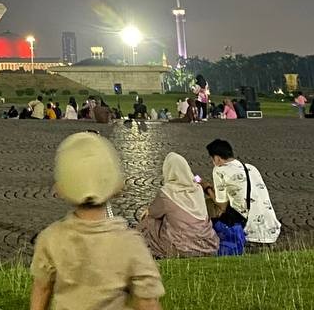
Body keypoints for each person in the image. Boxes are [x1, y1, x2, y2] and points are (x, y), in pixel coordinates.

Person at [30, 133, 164, 310]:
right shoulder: (129, 243)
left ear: (62, 187)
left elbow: (42, 289)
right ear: (116, 186)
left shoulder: (50, 239)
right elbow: (148, 303)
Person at [137, 152, 219, 259]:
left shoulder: (167, 193)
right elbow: (194, 177)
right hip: (207, 245)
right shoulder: (197, 187)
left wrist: (148, 211)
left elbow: (154, 212)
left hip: (180, 248)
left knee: (148, 221)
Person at [204, 139, 281, 245]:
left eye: (212, 159)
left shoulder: (219, 170)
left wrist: (207, 189)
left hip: (250, 231)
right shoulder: (250, 168)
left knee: (212, 221)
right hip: (272, 228)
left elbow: (222, 205)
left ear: (217, 158)